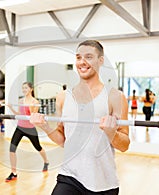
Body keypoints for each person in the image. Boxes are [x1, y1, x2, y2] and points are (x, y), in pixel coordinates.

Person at [30, 40, 130, 194]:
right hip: (69, 176)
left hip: (103, 182)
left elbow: (124, 145)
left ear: (100, 60)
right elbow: (63, 140)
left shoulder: (115, 97)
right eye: (78, 57)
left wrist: (112, 133)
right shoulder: (63, 97)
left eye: (88, 57)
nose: (82, 62)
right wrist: (44, 126)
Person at [5, 82, 49, 182]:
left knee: (38, 147)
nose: (24, 90)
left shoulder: (35, 102)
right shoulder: (20, 101)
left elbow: (33, 116)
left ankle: (46, 162)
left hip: (30, 128)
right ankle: (13, 172)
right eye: (23, 88)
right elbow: (19, 114)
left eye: (26, 88)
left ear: (31, 89)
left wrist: (31, 106)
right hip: (20, 127)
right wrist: (11, 107)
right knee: (12, 149)